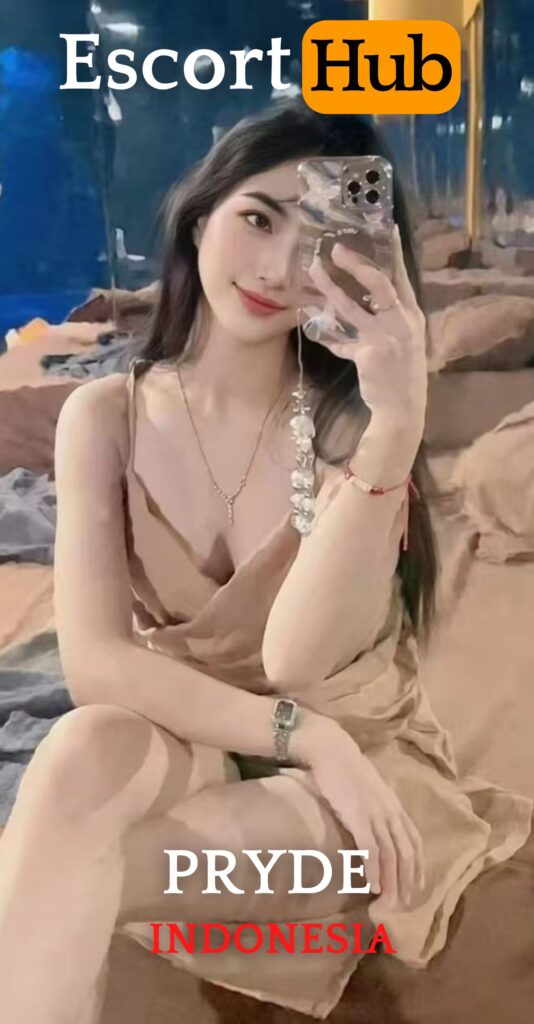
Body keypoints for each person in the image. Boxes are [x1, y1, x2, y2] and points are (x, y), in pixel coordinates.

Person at [0, 98, 530, 1024]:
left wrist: (399, 421)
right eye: (258, 218)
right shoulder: (105, 415)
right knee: (81, 748)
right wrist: (304, 735)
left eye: (318, 237)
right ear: (201, 216)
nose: (282, 267)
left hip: (361, 773)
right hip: (205, 731)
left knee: (74, 866)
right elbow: (98, 666)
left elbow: (292, 660)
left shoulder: (352, 429)